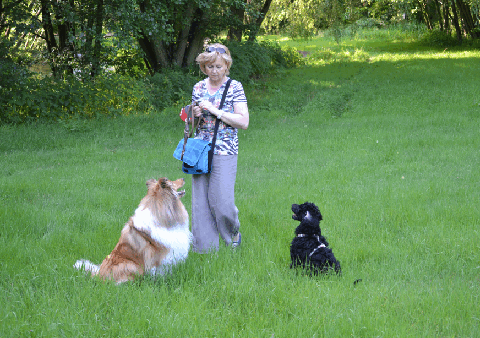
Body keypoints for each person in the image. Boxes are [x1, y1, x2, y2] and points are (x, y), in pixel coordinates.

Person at [189, 43, 249, 253]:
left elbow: (243, 121)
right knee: (200, 204)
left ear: (227, 66)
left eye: (218, 67)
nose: (214, 71)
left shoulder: (234, 87)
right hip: (199, 151)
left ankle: (233, 234)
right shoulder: (198, 87)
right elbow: (192, 125)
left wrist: (214, 110)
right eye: (210, 67)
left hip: (225, 151)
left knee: (222, 202)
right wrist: (193, 115)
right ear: (204, 67)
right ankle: (205, 248)